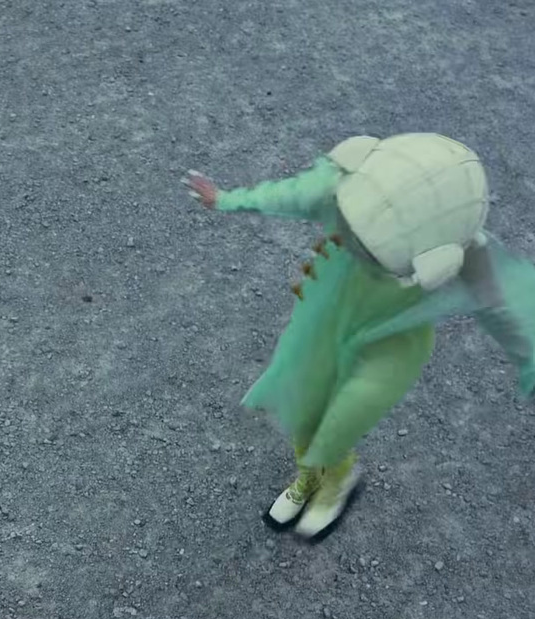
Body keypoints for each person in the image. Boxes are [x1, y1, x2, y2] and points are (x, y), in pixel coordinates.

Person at [184, 133, 535, 540]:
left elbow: (505, 307)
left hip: (390, 343)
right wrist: (226, 199)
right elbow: (295, 194)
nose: (346, 239)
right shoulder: (347, 189)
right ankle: (309, 479)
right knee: (303, 408)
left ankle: (337, 482)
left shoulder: (470, 252)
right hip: (327, 313)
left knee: (341, 421)